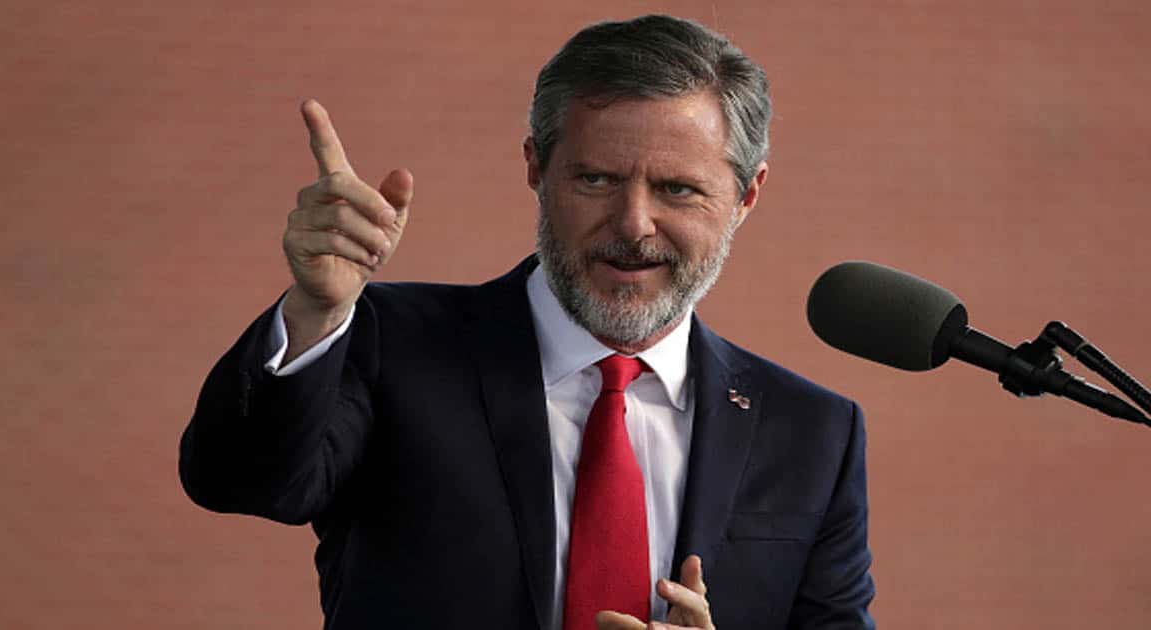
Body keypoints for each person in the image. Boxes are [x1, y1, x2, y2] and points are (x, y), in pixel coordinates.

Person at [180, 14, 874, 630]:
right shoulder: (389, 343)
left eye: (677, 189)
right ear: (536, 168)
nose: (633, 225)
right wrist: (316, 310)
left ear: (747, 195)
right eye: (596, 179)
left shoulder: (812, 432)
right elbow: (241, 481)